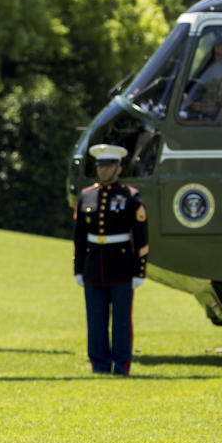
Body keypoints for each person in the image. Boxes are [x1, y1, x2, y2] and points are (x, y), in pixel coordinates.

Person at [73, 144, 148, 376]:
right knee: (96, 320)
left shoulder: (130, 197)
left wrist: (139, 271)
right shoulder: (86, 196)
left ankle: (121, 364)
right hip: (94, 266)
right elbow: (79, 237)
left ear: (118, 168)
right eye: (100, 166)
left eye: (108, 166)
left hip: (122, 266)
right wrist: (78, 268)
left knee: (121, 322)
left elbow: (141, 236)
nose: (103, 171)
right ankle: (99, 364)